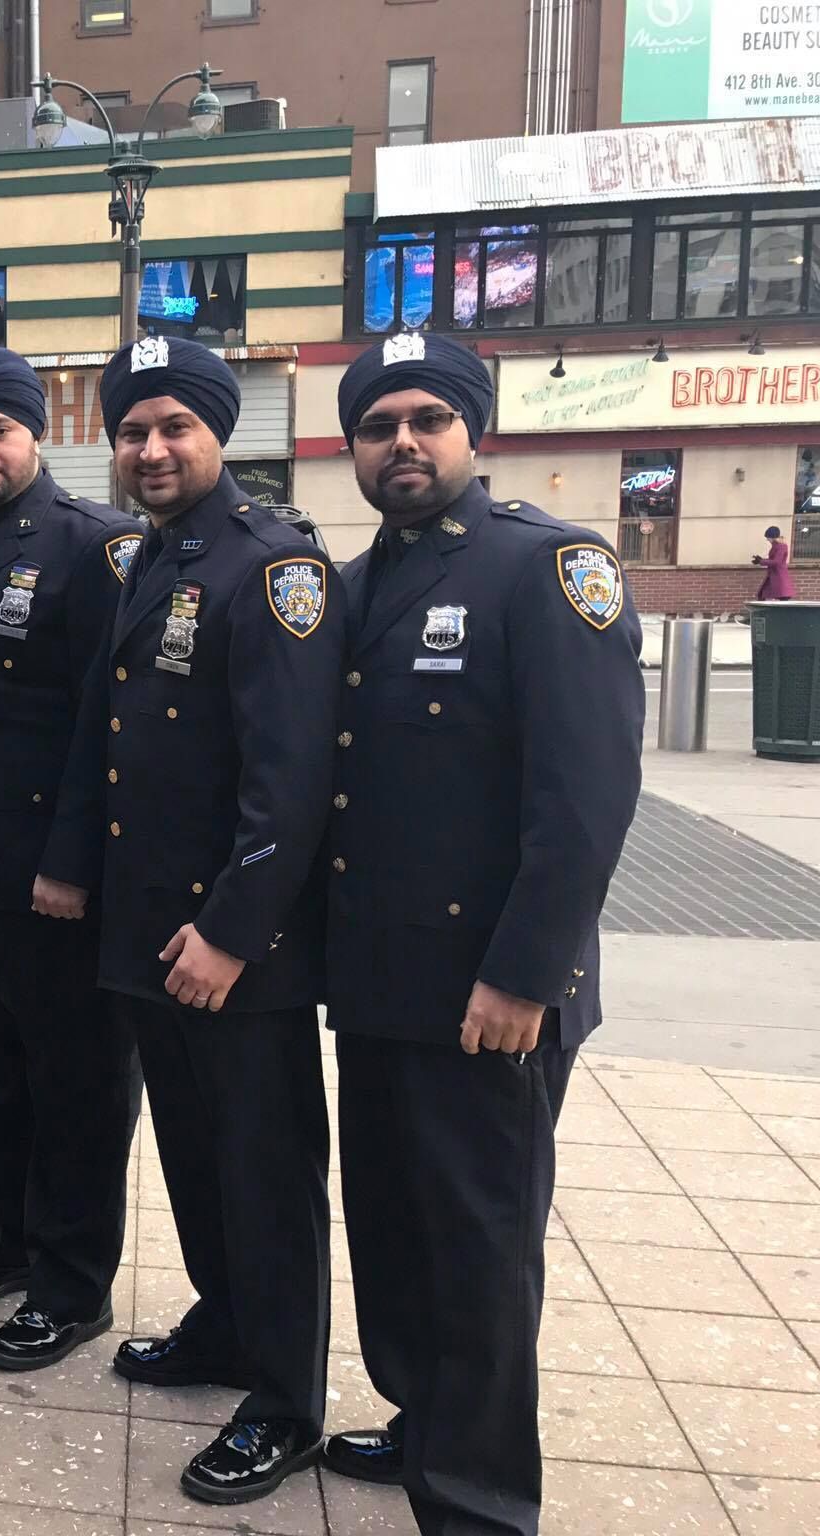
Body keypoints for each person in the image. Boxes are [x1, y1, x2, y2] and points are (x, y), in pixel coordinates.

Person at [320, 335, 644, 1536]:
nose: (400, 442)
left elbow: (585, 800)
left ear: (471, 432)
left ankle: (477, 1500)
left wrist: (524, 976)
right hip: (378, 984)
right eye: (375, 425)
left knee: (478, 1250)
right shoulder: (354, 588)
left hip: (488, 994)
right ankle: (424, 1421)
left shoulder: (546, 571)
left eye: (426, 418)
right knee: (395, 1233)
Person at [48, 336, 341, 1503]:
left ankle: (284, 1404)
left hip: (233, 950)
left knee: (264, 1173)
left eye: (173, 426)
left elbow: (291, 780)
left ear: (217, 434)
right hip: (151, 940)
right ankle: (225, 1327)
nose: (150, 448)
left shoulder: (272, 569)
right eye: (131, 430)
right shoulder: (153, 558)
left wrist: (230, 931)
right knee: (195, 1161)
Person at [0, 347, 142, 1370]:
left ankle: (71, 1283)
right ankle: (3, 1247)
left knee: (74, 1086)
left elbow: (110, 722)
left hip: (49, 881)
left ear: (34, 433)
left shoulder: (95, 545)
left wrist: (72, 860)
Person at [755, 525, 795, 599]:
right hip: (773, 575)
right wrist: (760, 560)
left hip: (778, 576)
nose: (767, 539)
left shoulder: (781, 546)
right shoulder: (776, 545)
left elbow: (777, 562)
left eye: (768, 537)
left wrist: (761, 561)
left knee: (782, 597)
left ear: (772, 537)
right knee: (762, 595)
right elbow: (773, 559)